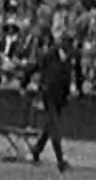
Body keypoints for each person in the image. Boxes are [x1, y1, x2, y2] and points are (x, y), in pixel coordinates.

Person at [23, 38, 73, 172]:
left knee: (50, 124)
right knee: (54, 124)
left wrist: (71, 91)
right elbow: (36, 66)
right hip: (49, 93)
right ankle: (60, 160)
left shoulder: (70, 56)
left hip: (60, 95)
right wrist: (25, 81)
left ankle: (37, 149)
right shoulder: (50, 54)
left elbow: (70, 75)